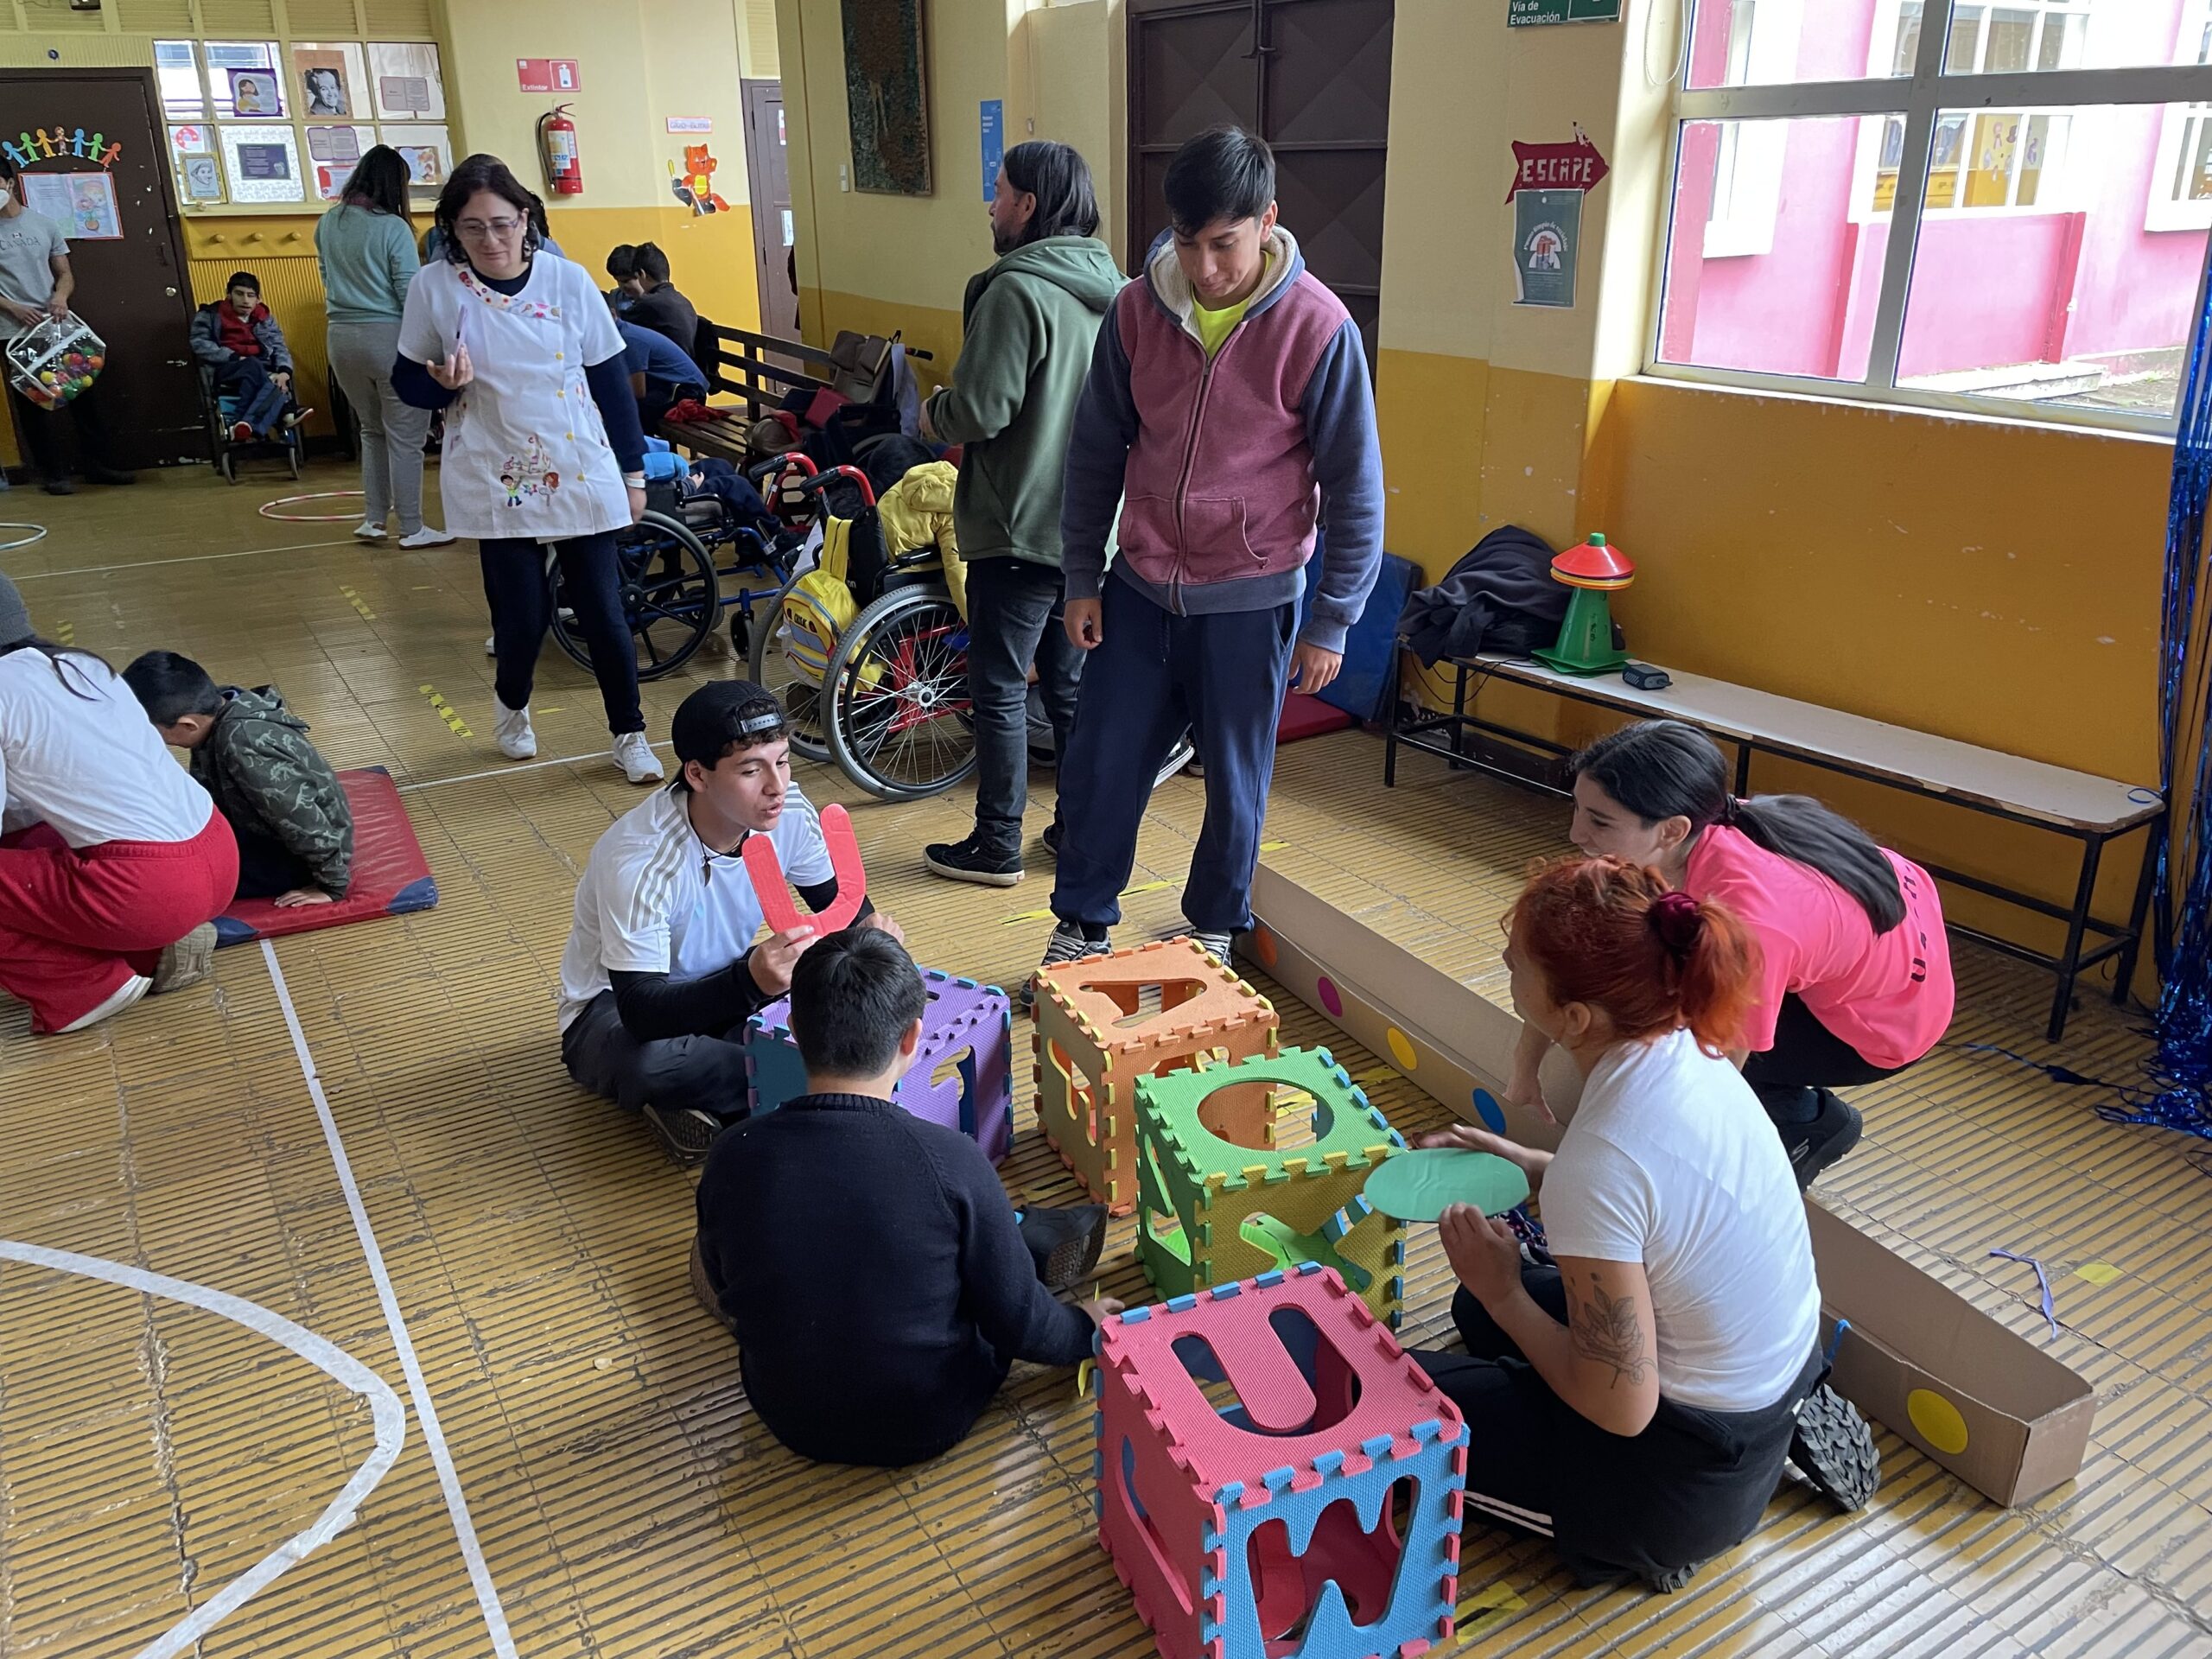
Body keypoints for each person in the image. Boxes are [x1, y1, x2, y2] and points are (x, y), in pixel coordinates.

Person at [1409, 856, 1875, 1592]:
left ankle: (1644, 1542)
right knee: (1474, 1307)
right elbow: (1655, 1192)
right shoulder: (1692, 1045)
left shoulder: (1602, 1157)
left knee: (1383, 1405)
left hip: (1662, 1477)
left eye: (1516, 960)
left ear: (1574, 1018)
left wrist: (1505, 1292)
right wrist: (1533, 1166)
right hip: (1769, 1379)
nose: (1503, 962)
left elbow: (1620, 1407)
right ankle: (1778, 1424)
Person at [1035, 125, 1382, 986]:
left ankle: (1215, 925)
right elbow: (1094, 450)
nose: (1204, 267)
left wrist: (1332, 620)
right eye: (1186, 243)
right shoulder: (1134, 311)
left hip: (1253, 599)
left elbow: (1355, 487)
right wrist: (1082, 575)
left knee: (1236, 780)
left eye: (1224, 244)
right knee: (1102, 765)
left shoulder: (1318, 328)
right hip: (1138, 588)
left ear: (1267, 221)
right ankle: (1081, 921)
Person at [691, 924, 1118, 1467]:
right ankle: (1021, 1238)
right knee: (978, 1255)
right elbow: (1019, 1325)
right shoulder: (950, 1158)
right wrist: (1085, 1329)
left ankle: (1008, 1240)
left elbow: (724, 1279)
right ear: (912, 1038)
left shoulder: (732, 1154)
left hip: (787, 1413)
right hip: (929, 1414)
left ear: (794, 1028)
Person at [1543, 719, 1955, 1186]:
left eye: (1600, 821)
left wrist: (1652, 1164)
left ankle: (1807, 1122)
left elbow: (1720, 1073)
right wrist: (1526, 1064)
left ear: (1672, 831)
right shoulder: (1722, 816)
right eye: (1578, 807)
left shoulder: (1746, 921)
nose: (1576, 833)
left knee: (1669, 1038)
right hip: (1895, 959)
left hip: (1884, 1028)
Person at [394, 153, 662, 785]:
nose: (491, 240)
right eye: (473, 228)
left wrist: (634, 474)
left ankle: (630, 734)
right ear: (452, 230)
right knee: (521, 618)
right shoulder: (434, 288)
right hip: (495, 468)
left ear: (526, 219)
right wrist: (440, 384)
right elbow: (407, 381)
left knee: (603, 611)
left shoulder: (567, 282)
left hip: (577, 461)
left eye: (502, 224)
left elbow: (611, 382)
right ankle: (512, 704)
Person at [558, 680, 900, 1162]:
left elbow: (841, 910)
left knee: (841, 977)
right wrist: (750, 982)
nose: (776, 786)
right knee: (652, 1063)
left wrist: (872, 938)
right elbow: (642, 1010)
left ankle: (732, 1097)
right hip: (616, 1009)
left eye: (783, 761)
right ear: (698, 775)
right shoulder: (641, 861)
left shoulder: (789, 812)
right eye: (751, 770)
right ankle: (792, 1088)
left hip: (729, 982)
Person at [917, 142, 1123, 888]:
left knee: (1000, 687)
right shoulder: (1119, 292)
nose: (991, 204)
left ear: (1029, 205)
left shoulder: (1016, 291)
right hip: (1092, 531)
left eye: (999, 191)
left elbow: (982, 408)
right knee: (1070, 690)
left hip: (1018, 523)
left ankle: (997, 842)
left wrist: (933, 411)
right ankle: (1078, 833)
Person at [0, 574, 229, 1034]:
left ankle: (85, 986)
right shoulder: (80, 665)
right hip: (216, 851)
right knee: (27, 844)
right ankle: (151, 949)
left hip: (144, 885)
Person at [122, 651, 353, 909]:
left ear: (188, 725)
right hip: (257, 827)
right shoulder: (217, 706)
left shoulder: (245, 746)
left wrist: (332, 884)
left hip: (300, 856)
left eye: (153, 731)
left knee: (170, 882)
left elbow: (301, 818)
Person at [315, 146, 451, 547]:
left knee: (371, 431)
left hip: (340, 338)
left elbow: (326, 276)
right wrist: (433, 345)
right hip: (388, 339)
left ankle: (374, 520)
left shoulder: (328, 222)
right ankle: (412, 527)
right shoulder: (393, 227)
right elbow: (409, 291)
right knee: (407, 438)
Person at [0, 151, 135, 496]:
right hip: (13, 332)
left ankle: (98, 465)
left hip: (56, 325)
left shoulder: (43, 223)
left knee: (82, 391)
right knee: (33, 403)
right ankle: (53, 473)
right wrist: (13, 307)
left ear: (10, 184)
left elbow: (65, 273)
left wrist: (60, 297)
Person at [189, 271, 310, 443]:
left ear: (258, 299)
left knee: (265, 375)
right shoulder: (210, 314)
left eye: (250, 295)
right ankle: (285, 410)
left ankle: (242, 425)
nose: (245, 300)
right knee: (255, 367)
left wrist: (284, 372)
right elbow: (199, 343)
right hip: (227, 367)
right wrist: (233, 357)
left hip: (261, 368)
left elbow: (279, 346)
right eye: (239, 294)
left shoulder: (264, 318)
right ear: (229, 295)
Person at [617, 317, 706, 429]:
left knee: (625, 411)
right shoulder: (626, 331)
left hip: (689, 392)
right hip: (673, 386)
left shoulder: (629, 339)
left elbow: (638, 392)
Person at [619, 242, 698, 358]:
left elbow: (618, 324)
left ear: (642, 274)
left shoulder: (650, 303)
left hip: (667, 366)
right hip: (687, 363)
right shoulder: (682, 300)